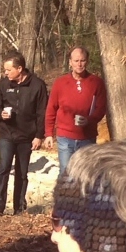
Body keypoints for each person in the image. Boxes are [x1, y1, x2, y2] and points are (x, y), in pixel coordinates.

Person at [0, 50, 48, 214]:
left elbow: (42, 112)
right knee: (3, 168)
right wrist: (0, 113)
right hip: (7, 134)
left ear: (20, 68)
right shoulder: (4, 84)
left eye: (9, 70)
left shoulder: (37, 85)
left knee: (22, 172)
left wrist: (39, 135)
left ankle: (19, 208)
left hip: (26, 136)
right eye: (5, 70)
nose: (5, 73)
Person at [43, 45, 107, 175]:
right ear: (70, 62)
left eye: (82, 60)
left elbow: (101, 108)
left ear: (87, 61)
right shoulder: (60, 83)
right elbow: (51, 109)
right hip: (65, 137)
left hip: (87, 137)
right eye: (76, 61)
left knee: (86, 175)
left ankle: (83, 196)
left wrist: (90, 120)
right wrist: (49, 134)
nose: (79, 64)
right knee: (66, 174)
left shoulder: (96, 82)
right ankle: (64, 196)